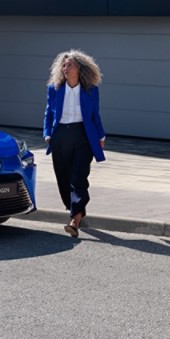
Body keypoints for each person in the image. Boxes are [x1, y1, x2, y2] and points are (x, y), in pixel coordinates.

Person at [42, 49, 105, 238]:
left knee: (79, 177)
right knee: (63, 178)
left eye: (69, 65)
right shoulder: (54, 88)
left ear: (80, 68)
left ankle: (74, 221)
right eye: (64, 65)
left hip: (83, 135)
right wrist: (47, 134)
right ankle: (77, 209)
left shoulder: (90, 90)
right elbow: (49, 113)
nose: (65, 68)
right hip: (60, 134)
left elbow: (95, 115)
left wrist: (100, 137)